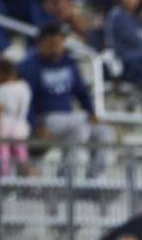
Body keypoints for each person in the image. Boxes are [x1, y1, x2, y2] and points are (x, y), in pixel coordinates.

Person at [19, 24, 115, 160]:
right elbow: (26, 100)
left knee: (104, 131)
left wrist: (92, 113)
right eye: (53, 44)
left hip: (67, 116)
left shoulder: (68, 62)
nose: (57, 49)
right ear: (41, 43)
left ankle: (94, 178)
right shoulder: (29, 65)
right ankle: (68, 177)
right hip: (45, 117)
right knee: (79, 127)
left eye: (60, 44)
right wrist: (35, 125)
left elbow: (80, 91)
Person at [0, 59, 31, 176]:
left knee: (3, 154)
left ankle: (5, 178)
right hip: (20, 126)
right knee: (21, 155)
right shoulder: (24, 87)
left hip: (4, 127)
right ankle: (27, 178)